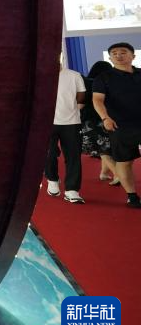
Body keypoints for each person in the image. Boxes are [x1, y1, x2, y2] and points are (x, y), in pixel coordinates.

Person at [92, 42, 141, 209]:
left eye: (123, 52)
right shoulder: (103, 78)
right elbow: (97, 100)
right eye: (114, 53)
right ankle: (132, 197)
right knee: (125, 161)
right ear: (110, 58)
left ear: (133, 56)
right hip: (119, 125)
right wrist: (105, 118)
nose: (118, 55)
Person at [46, 60, 86, 204]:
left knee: (73, 156)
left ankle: (72, 190)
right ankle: (52, 179)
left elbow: (81, 95)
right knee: (48, 153)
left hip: (72, 122)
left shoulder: (74, 75)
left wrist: (75, 109)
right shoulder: (40, 75)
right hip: (45, 123)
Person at [81, 60, 117, 184]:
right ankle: (117, 174)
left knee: (103, 149)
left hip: (89, 120)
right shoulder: (107, 84)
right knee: (105, 149)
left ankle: (105, 173)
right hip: (104, 119)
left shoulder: (86, 83)